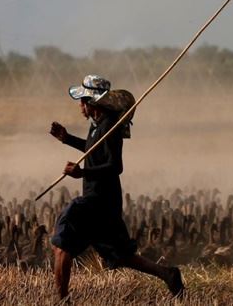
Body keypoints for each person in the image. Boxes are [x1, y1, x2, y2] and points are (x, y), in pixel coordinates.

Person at [48, 74, 184, 301]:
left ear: (93, 102)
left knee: (62, 242)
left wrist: (82, 173)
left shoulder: (110, 126)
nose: (80, 106)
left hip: (96, 201)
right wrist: (67, 139)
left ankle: (62, 301)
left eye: (83, 101)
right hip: (106, 204)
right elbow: (94, 150)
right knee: (122, 255)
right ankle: (168, 274)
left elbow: (114, 166)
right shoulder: (99, 126)